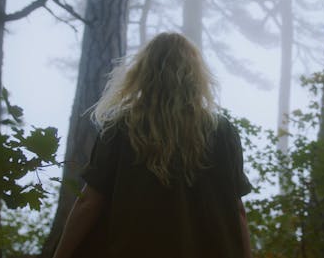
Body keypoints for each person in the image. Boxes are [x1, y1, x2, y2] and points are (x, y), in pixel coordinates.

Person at [52, 32, 253, 258]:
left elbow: (89, 202)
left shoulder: (121, 127)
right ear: (195, 76)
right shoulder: (221, 130)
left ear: (143, 72)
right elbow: (236, 210)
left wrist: (60, 254)